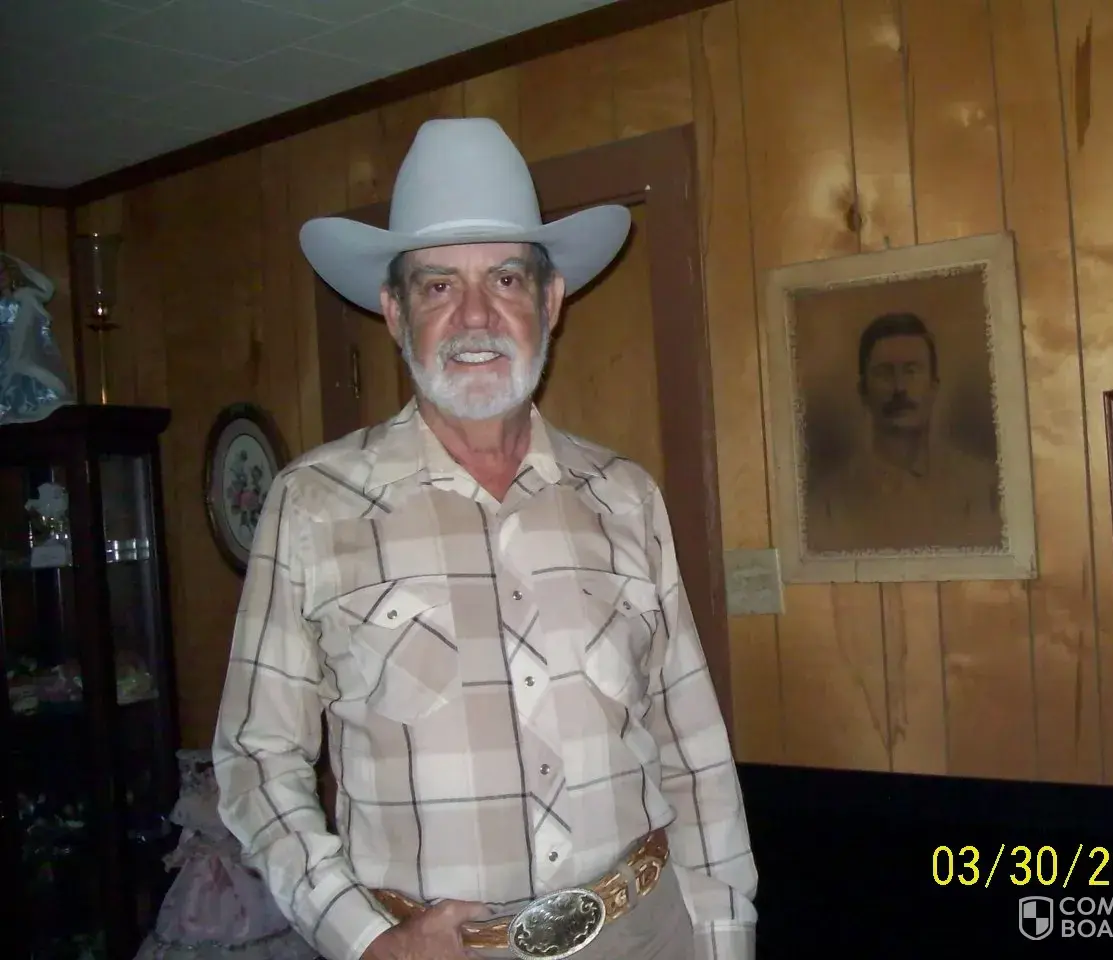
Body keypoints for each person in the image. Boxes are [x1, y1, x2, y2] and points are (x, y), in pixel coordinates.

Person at [210, 117, 757, 960]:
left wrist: (724, 937)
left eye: (505, 279)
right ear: (395, 313)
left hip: (649, 933)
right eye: (438, 286)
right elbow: (256, 757)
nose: (475, 316)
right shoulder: (312, 506)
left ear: (550, 302)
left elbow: (694, 750)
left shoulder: (625, 497)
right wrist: (364, 938)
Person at [804, 311, 1002, 553]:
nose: (899, 388)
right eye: (884, 373)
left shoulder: (984, 490)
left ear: (933, 387)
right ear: (863, 391)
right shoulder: (827, 505)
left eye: (911, 371)